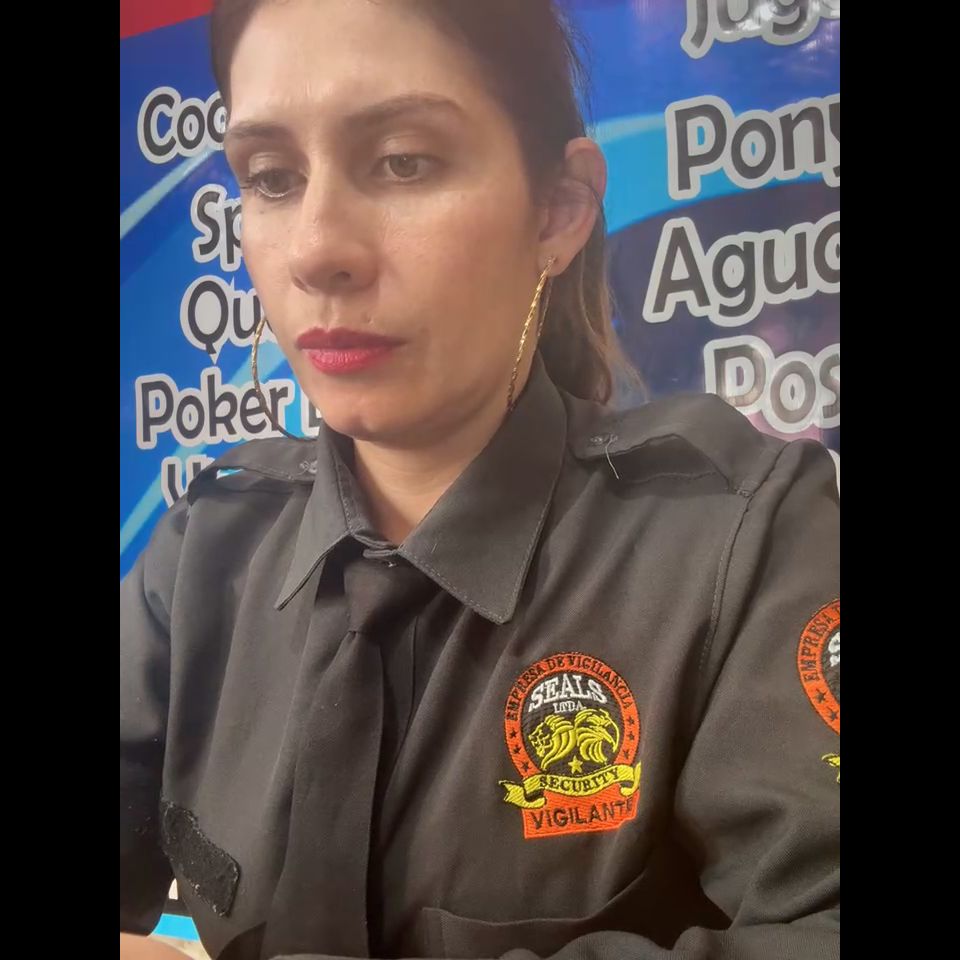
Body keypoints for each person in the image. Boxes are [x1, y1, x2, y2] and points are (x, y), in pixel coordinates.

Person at [120, 1, 840, 958]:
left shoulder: (741, 538)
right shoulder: (206, 549)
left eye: (402, 161)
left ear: (558, 210)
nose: (316, 250)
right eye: (272, 178)